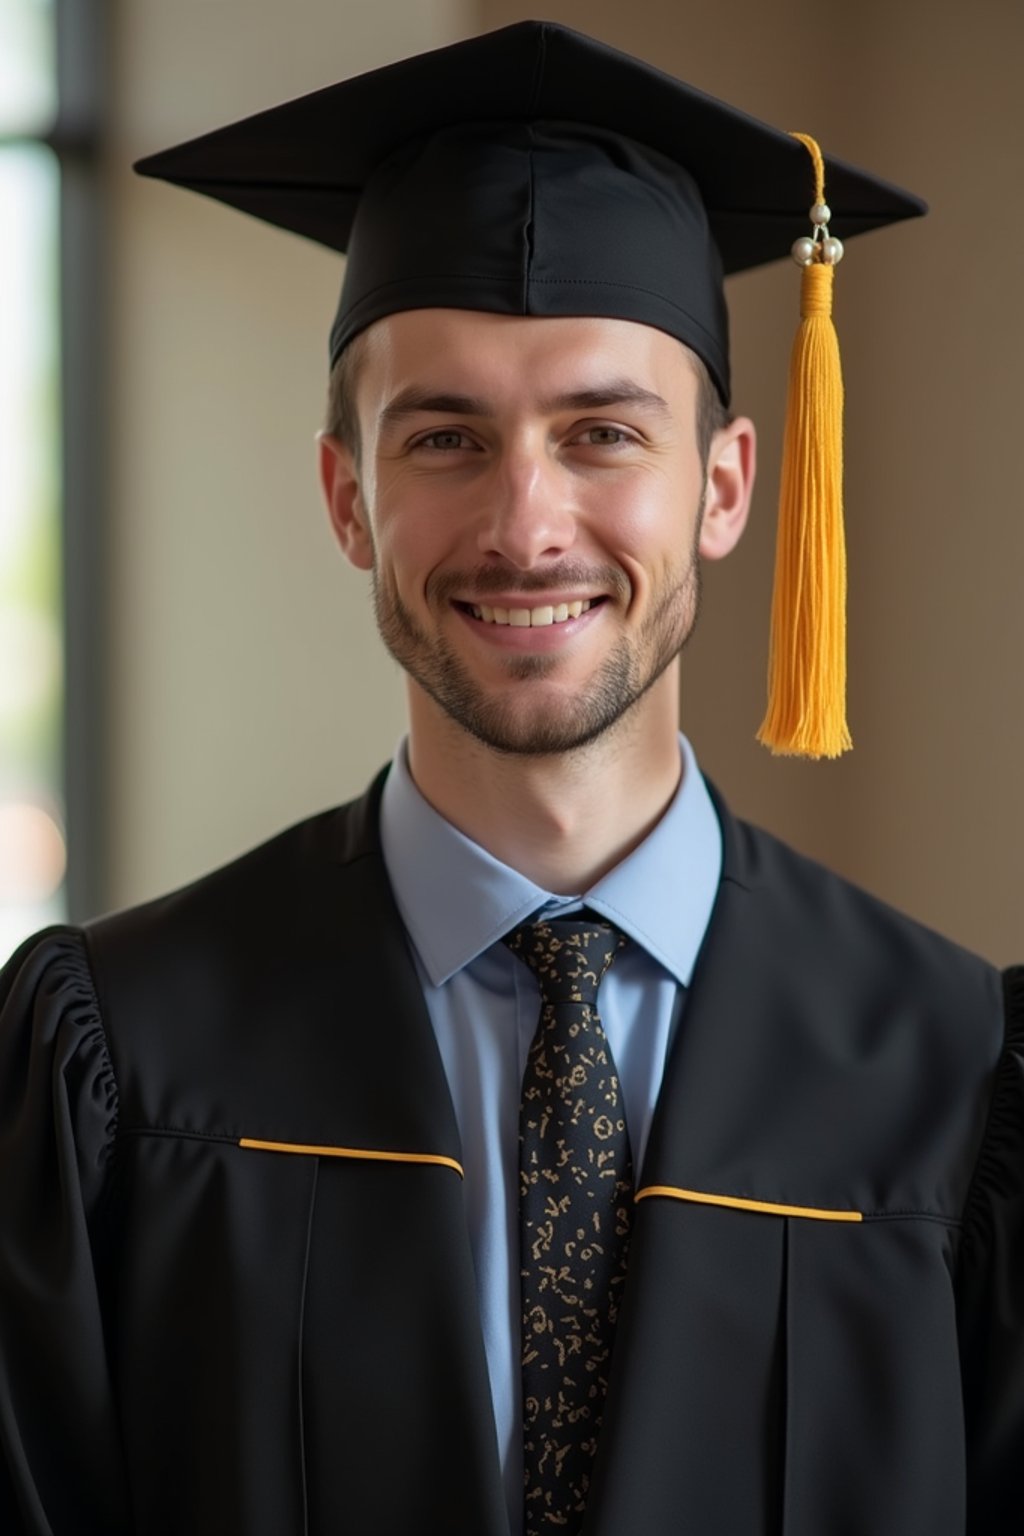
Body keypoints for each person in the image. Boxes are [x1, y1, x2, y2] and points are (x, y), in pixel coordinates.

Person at [0, 20, 1020, 1536]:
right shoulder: (121, 1065)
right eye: (445, 439)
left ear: (726, 487)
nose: (526, 522)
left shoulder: (955, 1078)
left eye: (603, 433)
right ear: (348, 496)